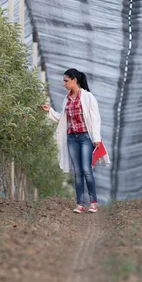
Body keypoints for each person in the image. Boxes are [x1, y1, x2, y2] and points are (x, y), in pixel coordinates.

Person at [41, 69, 109, 213]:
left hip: (85, 138)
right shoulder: (67, 99)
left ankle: (94, 202)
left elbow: (95, 118)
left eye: (66, 81)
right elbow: (63, 118)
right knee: (77, 172)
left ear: (74, 80)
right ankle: (80, 204)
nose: (64, 84)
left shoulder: (88, 97)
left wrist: (96, 138)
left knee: (86, 169)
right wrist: (50, 111)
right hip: (72, 138)